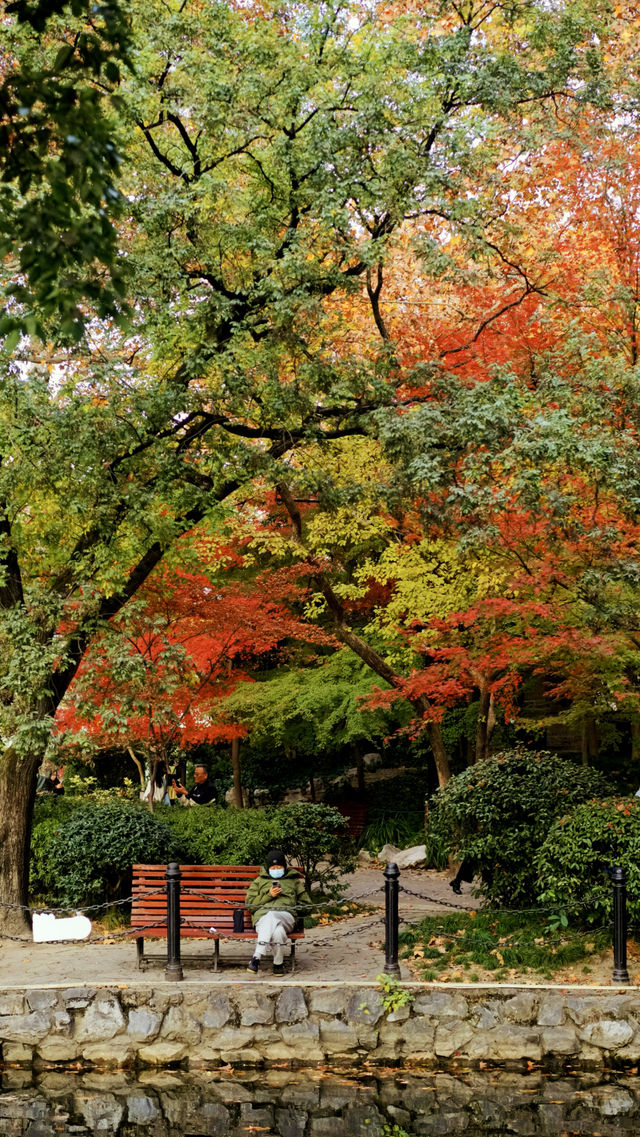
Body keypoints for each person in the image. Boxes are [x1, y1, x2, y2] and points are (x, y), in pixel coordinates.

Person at [244, 848, 311, 976]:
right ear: (268, 868)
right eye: (273, 868)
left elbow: (307, 905)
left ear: (284, 867)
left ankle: (257, 956)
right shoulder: (259, 881)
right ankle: (278, 964)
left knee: (272, 915)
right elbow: (250, 905)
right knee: (277, 930)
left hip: (287, 917)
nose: (276, 870)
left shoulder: (294, 881)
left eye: (279, 867)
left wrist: (292, 906)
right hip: (262, 920)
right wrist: (268, 895)